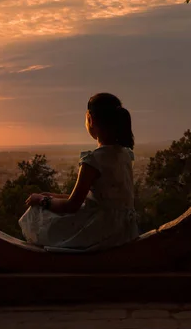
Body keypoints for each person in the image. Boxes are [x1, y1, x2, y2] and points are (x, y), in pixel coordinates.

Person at [19, 93, 139, 252]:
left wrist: (41, 200)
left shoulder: (93, 161)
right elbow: (94, 199)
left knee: (35, 212)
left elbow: (72, 205)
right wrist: (51, 196)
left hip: (100, 231)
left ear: (91, 120)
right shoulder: (125, 155)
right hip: (124, 230)